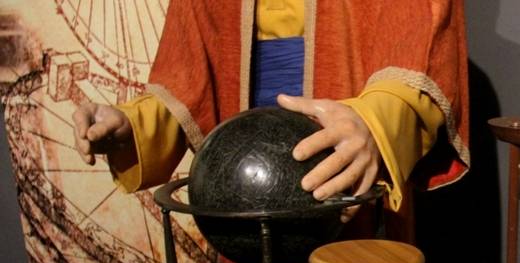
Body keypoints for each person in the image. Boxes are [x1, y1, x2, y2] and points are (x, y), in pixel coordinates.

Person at [71, 0, 470, 241]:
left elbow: (419, 53)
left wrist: (371, 122)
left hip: (343, 178)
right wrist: (131, 125)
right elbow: (190, 79)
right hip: (244, 187)